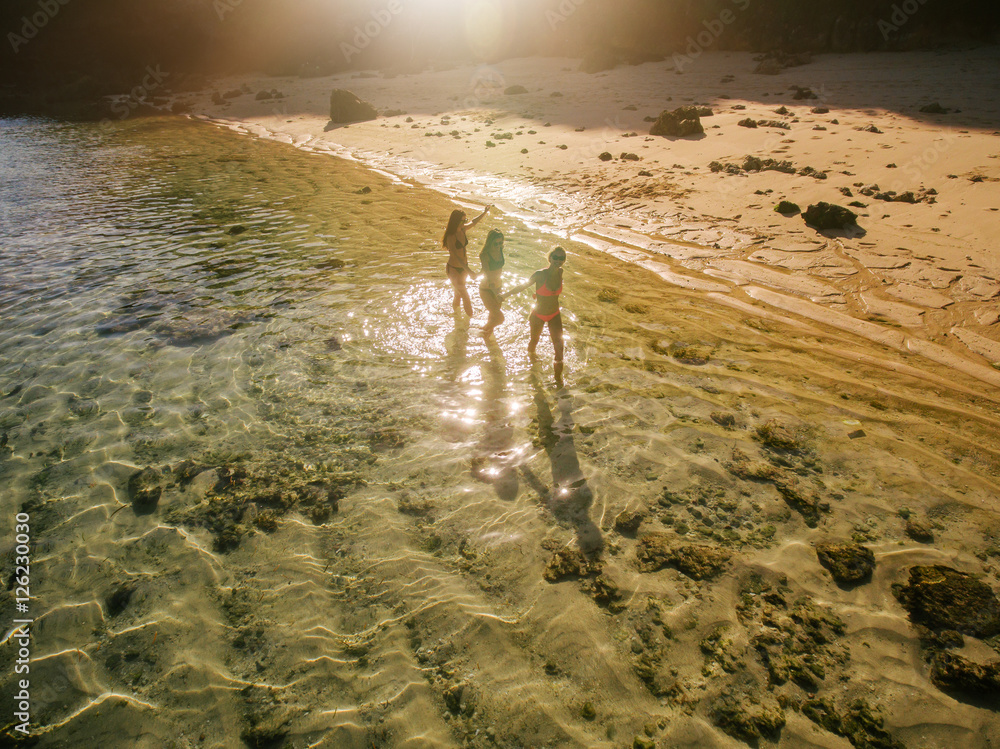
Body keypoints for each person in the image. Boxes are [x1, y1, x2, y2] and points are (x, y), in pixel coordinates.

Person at [504, 247, 567, 381]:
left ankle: (559, 381)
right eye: (555, 257)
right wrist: (505, 295)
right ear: (550, 258)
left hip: (555, 314)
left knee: (559, 347)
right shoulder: (540, 274)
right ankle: (532, 370)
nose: (558, 260)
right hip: (538, 315)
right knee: (534, 341)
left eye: (561, 258)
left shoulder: (561, 272)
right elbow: (523, 286)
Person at [442, 205, 491, 316]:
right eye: (462, 220)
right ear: (455, 221)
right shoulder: (451, 236)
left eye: (465, 220)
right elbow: (456, 257)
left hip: (463, 268)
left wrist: (484, 212)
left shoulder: (463, 229)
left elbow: (474, 222)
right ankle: (470, 321)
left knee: (458, 294)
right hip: (454, 269)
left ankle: (456, 317)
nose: (464, 222)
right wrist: (469, 271)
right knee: (465, 295)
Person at [478, 229, 506, 337]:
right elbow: (488, 275)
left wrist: (498, 290)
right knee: (500, 318)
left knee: (493, 315)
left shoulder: (500, 250)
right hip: (487, 288)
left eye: (500, 243)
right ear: (490, 242)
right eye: (496, 243)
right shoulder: (485, 255)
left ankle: (487, 336)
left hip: (498, 286)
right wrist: (495, 292)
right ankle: (482, 330)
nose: (498, 245)